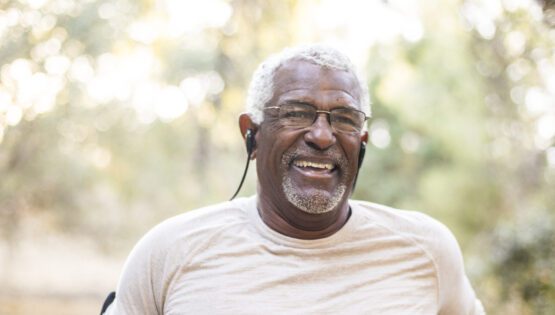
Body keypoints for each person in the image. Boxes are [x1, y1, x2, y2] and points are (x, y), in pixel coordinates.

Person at [102, 45, 485, 314]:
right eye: (297, 113)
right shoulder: (170, 253)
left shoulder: (426, 250)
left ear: (362, 143)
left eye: (345, 118)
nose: (322, 135)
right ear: (251, 134)